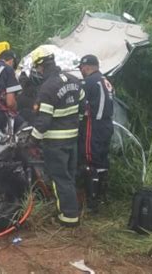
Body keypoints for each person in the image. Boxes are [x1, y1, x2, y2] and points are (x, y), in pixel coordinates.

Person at [30, 46, 85, 227]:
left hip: (55, 142)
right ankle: (73, 209)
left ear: (41, 67)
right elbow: (83, 107)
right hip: (72, 138)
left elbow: (44, 122)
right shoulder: (74, 80)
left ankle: (68, 217)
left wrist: (33, 139)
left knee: (60, 178)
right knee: (69, 176)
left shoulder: (47, 88)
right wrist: (75, 123)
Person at [77, 54, 114, 213]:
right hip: (107, 124)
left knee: (90, 160)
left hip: (93, 124)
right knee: (102, 160)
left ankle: (92, 203)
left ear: (87, 67)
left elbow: (81, 106)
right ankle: (103, 196)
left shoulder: (88, 82)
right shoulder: (106, 82)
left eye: (81, 68)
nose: (81, 71)